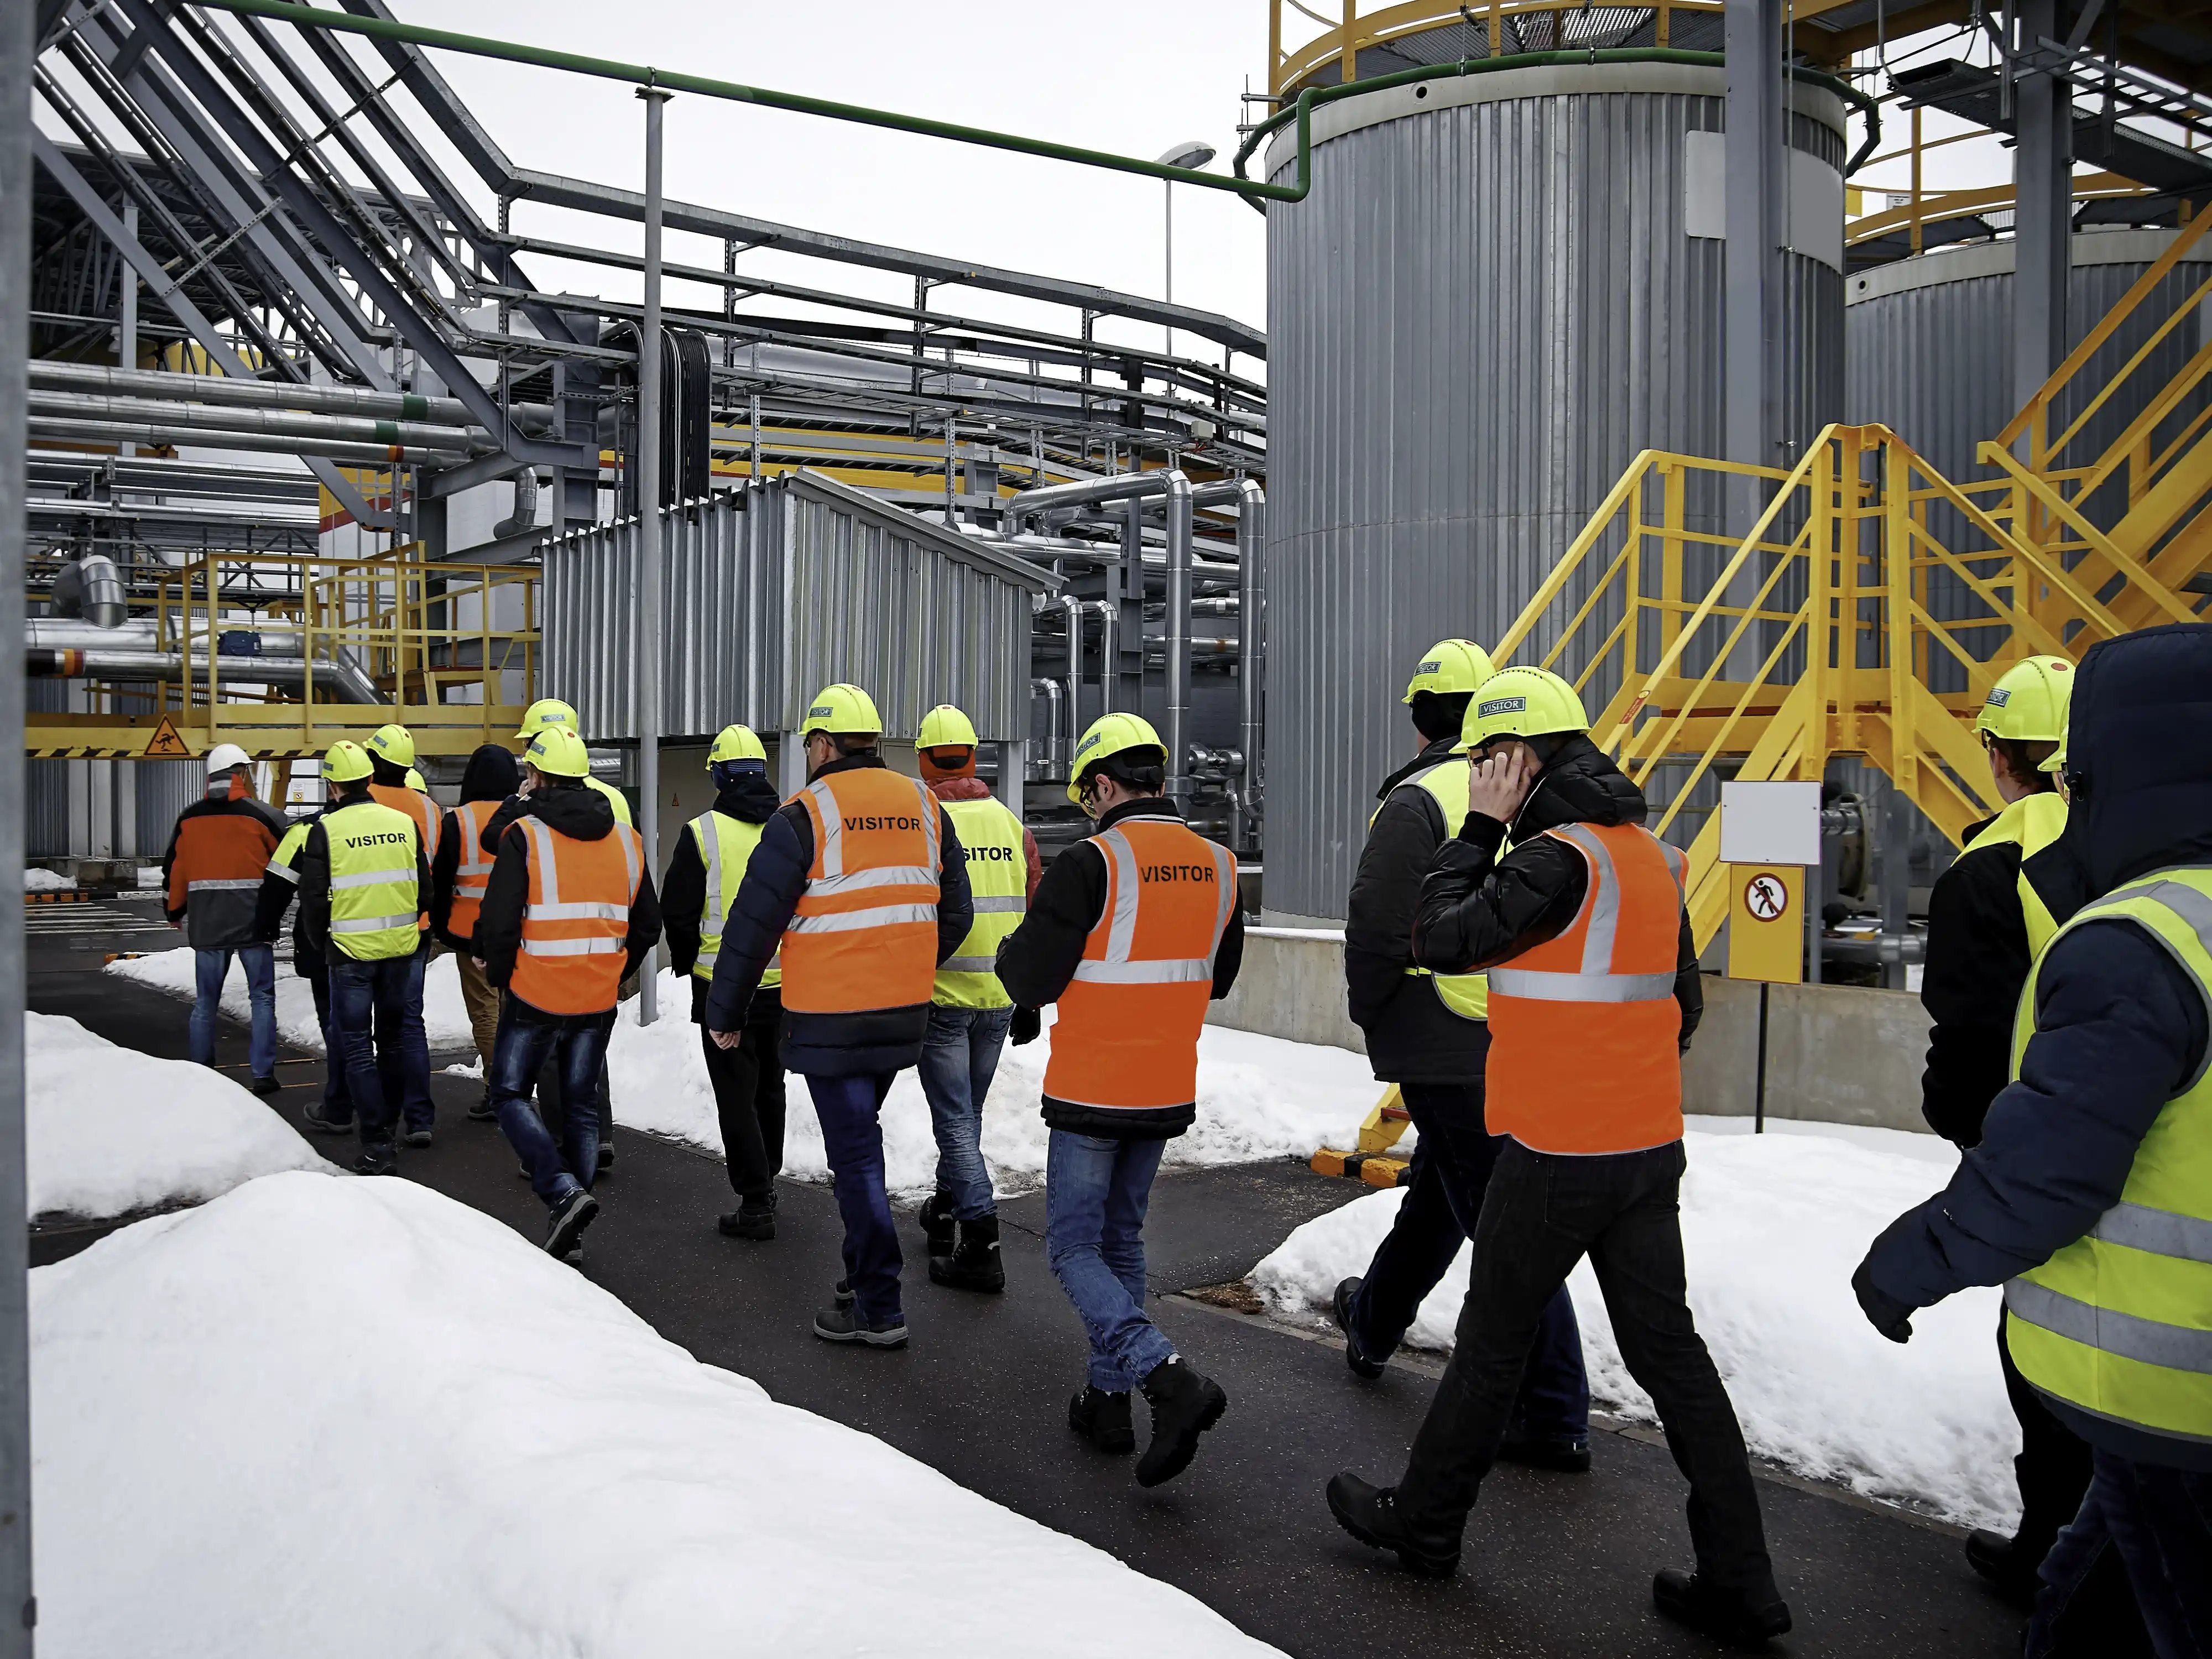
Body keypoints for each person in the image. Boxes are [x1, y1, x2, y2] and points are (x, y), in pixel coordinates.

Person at [1326, 667, 1788, 1644]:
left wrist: (1481, 831)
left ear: (1520, 759)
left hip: (1552, 1151)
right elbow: (1681, 1010)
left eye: (1490, 762)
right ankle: (1741, 1577)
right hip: (1645, 1152)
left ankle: (1425, 1526)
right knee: (1676, 1361)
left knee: (1491, 1348)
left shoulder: (1549, 858)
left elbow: (1438, 938)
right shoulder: (1652, 858)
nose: (1483, 777)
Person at [1853, 624, 2212, 1659]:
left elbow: (2026, 1127)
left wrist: (1916, 1255)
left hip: (2157, 1368)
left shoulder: (2125, 925)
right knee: (2087, 1587)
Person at [1338, 640, 1591, 1467]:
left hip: (1441, 1029)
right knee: (1444, 1195)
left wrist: (1374, 1016)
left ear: (1418, 715)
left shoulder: (1417, 801)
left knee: (1500, 1223)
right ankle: (1374, 1320)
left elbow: (1379, 926)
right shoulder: (1539, 794)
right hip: (1521, 1025)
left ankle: (1553, 1411)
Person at [995, 713, 1244, 1488]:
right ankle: (1107, 1403)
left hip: (1092, 1090)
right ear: (1159, 779)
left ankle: (1163, 1376)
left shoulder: (1092, 863)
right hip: (1165, 1086)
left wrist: (1015, 951)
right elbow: (1220, 976)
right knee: (1123, 1242)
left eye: (1086, 796)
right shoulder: (1221, 865)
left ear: (1103, 785)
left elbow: (1029, 979)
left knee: (1072, 1248)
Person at [703, 684, 973, 1349]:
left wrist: (726, 1010)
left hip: (828, 1018)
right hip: (901, 1014)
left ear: (822, 745)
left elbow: (753, 923)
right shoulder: (924, 806)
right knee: (861, 1143)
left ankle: (879, 1305)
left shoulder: (803, 814)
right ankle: (862, 1276)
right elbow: (956, 913)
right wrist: (905, 965)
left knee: (855, 1158)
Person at [1917, 653, 2099, 1608]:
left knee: (2046, 1343)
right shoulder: (2161, 844)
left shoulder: (1991, 867)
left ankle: (2056, 1546)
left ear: (1996, 754)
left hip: (2036, 1149)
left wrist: (1967, 1140)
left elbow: (1970, 1038)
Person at [473, 727, 660, 1261]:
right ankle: (571, 1226)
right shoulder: (626, 838)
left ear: (536, 778)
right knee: (580, 1106)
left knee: (509, 1093)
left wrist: (501, 975)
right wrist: (617, 970)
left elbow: (501, 920)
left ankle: (562, 1191)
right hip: (596, 997)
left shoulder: (525, 835)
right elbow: (649, 922)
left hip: (536, 993)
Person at [914, 702, 1042, 1294]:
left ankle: (981, 1241)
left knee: (955, 1123)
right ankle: (943, 1213)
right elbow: (1036, 910)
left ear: (922, 761)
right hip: (999, 997)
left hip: (941, 996)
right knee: (966, 1117)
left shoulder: (925, 823)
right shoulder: (1013, 826)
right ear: (972, 756)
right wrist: (1031, 997)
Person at [660, 724, 787, 1240]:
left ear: (718, 774)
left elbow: (679, 909)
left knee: (735, 1094)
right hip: (783, 982)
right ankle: (769, 1174)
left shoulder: (702, 832)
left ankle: (755, 1200)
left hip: (720, 987)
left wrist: (687, 958)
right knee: (771, 1086)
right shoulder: (789, 826)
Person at [492, 698, 630, 1165]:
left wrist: (501, 966)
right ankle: (595, 1142)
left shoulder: (531, 817)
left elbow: (501, 846)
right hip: (602, 950)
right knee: (588, 1063)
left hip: (546, 960)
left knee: (537, 1070)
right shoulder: (612, 802)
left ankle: (557, 1162)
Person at [290, 740, 432, 1176]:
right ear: (369, 780)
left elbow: (312, 900)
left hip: (350, 954)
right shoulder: (404, 823)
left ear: (332, 787)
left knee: (356, 1046)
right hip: (401, 949)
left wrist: (322, 943)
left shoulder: (325, 831)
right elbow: (425, 890)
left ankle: (376, 1142)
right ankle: (390, 1124)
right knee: (392, 1042)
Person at [163, 742, 286, 1094]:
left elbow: (176, 868)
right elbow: (290, 860)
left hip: (209, 926)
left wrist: (174, 910)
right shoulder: (264, 816)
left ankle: (203, 1072)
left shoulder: (189, 819)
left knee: (206, 1002)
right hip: (254, 924)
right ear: (241, 773)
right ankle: (263, 1075)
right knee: (261, 999)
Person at [428, 743, 521, 1119]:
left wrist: (441, 927)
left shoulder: (458, 821)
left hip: (469, 931)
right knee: (513, 1009)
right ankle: (516, 1084)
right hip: (518, 930)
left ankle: (496, 1088)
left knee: (485, 1012)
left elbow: (442, 878)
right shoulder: (520, 815)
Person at [361, 723, 440, 1146]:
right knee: (410, 1022)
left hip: (365, 932)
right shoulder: (428, 808)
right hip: (416, 927)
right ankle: (420, 1116)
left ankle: (377, 1116)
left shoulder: (361, 802)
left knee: (369, 1026)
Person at [255, 800, 349, 1133]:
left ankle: (341, 1101)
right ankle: (382, 1102)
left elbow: (277, 884)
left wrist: (265, 929)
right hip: (381, 941)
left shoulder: (306, 831)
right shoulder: (385, 825)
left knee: (334, 1021)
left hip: (322, 941)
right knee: (377, 1025)